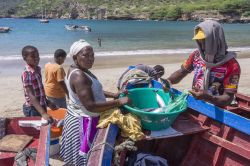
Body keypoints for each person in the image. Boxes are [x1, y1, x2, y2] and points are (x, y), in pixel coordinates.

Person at [60, 39, 129, 165]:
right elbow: (91, 106)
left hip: (75, 116)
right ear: (75, 56)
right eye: (85, 55)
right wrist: (119, 101)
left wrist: (113, 95)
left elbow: (93, 91)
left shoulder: (79, 69)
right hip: (83, 122)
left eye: (92, 55)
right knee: (87, 159)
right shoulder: (79, 76)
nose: (90, 59)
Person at [163, 20, 241, 107]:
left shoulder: (231, 65)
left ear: (215, 40)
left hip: (217, 107)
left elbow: (228, 98)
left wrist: (208, 97)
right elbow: (182, 72)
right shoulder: (196, 55)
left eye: (205, 41)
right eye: (199, 41)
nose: (202, 45)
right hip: (197, 101)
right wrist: (168, 81)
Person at [21, 45, 56, 123]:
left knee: (45, 126)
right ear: (25, 58)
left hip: (41, 105)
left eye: (38, 56)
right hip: (33, 108)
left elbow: (39, 91)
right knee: (37, 129)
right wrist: (43, 113)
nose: (37, 58)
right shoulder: (27, 74)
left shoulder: (38, 69)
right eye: (33, 56)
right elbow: (31, 95)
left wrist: (47, 102)